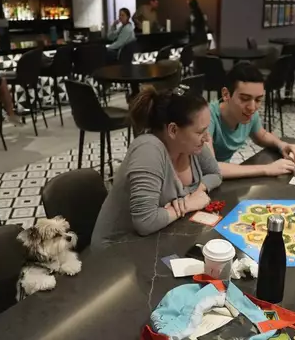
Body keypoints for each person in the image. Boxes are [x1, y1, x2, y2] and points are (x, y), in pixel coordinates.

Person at [90, 86, 222, 249]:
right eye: (200, 132)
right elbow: (145, 222)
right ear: (173, 130)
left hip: (157, 238)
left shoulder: (190, 145)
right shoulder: (148, 149)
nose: (206, 137)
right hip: (116, 251)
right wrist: (188, 204)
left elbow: (215, 173)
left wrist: (198, 191)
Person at [207, 62, 295, 179]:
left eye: (258, 100)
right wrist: (267, 168)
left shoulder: (248, 113)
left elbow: (261, 135)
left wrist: (282, 145)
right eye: (245, 99)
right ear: (226, 94)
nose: (252, 107)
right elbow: (210, 168)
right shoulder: (206, 118)